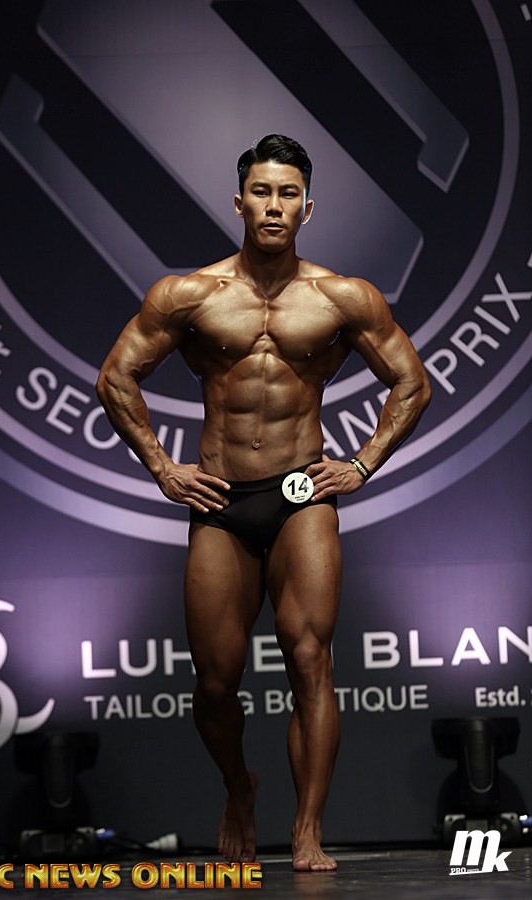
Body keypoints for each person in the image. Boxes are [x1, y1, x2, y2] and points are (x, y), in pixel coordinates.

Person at [96, 134, 431, 871]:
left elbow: (412, 382)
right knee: (217, 683)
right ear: (239, 202)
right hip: (220, 499)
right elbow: (117, 376)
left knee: (310, 659)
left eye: (288, 194)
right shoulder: (189, 295)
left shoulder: (343, 297)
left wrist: (363, 463)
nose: (274, 206)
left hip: (301, 493)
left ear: (307, 208)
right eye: (262, 192)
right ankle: (238, 788)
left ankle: (308, 829)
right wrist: (163, 467)